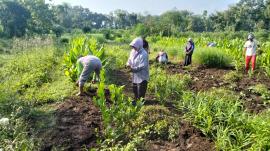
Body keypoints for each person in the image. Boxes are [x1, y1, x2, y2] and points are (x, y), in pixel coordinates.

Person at [126, 37, 149, 104]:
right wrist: (127, 64)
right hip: (135, 74)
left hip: (142, 74)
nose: (133, 48)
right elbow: (129, 60)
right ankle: (136, 100)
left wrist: (133, 69)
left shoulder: (144, 54)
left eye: (135, 46)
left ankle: (140, 102)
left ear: (139, 45)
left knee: (141, 89)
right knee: (135, 88)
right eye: (133, 46)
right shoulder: (133, 51)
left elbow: (142, 66)